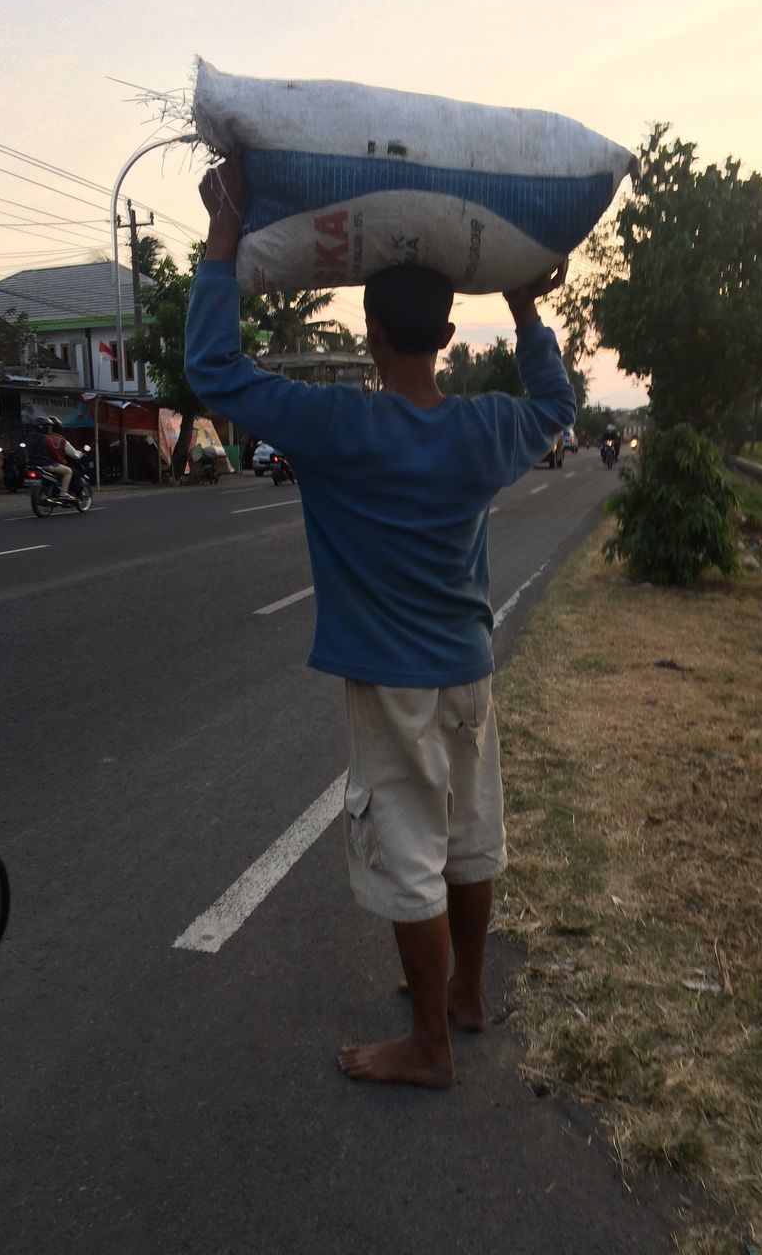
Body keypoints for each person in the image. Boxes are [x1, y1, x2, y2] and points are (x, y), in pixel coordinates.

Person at [185, 150, 575, 1090]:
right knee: (469, 835)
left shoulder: (334, 428)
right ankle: (468, 995)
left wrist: (225, 232)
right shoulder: (485, 429)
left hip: (391, 682)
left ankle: (431, 1047)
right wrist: (525, 307)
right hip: (468, 669)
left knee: (410, 852)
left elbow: (214, 369)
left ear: (368, 333)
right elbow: (556, 403)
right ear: (447, 332)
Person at [26, 417, 74, 501]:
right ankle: (63, 494)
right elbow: (54, 454)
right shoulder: (47, 439)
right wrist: (62, 462)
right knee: (68, 471)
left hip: (32, 465)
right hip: (46, 464)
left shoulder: (29, 437)